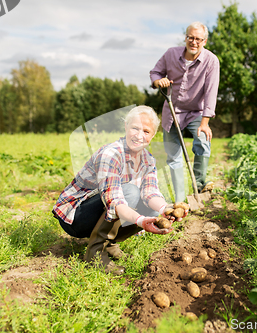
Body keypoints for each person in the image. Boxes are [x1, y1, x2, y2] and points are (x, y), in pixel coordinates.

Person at [52, 105, 187, 275]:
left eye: (146, 131)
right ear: (126, 127)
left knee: (150, 205)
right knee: (130, 192)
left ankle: (110, 244)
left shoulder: (148, 160)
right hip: (75, 216)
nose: (139, 135)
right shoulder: (111, 154)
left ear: (152, 136)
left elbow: (150, 192)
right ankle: (95, 251)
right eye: (135, 128)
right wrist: (140, 221)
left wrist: (165, 209)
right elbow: (114, 200)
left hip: (103, 208)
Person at [150, 21, 220, 203]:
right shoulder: (171, 54)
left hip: (196, 112)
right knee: (173, 157)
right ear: (186, 38)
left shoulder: (211, 61)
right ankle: (181, 200)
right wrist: (159, 82)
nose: (193, 42)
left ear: (204, 41)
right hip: (172, 112)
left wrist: (205, 123)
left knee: (203, 141)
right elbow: (155, 73)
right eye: (190, 37)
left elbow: (211, 92)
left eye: (198, 39)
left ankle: (200, 185)